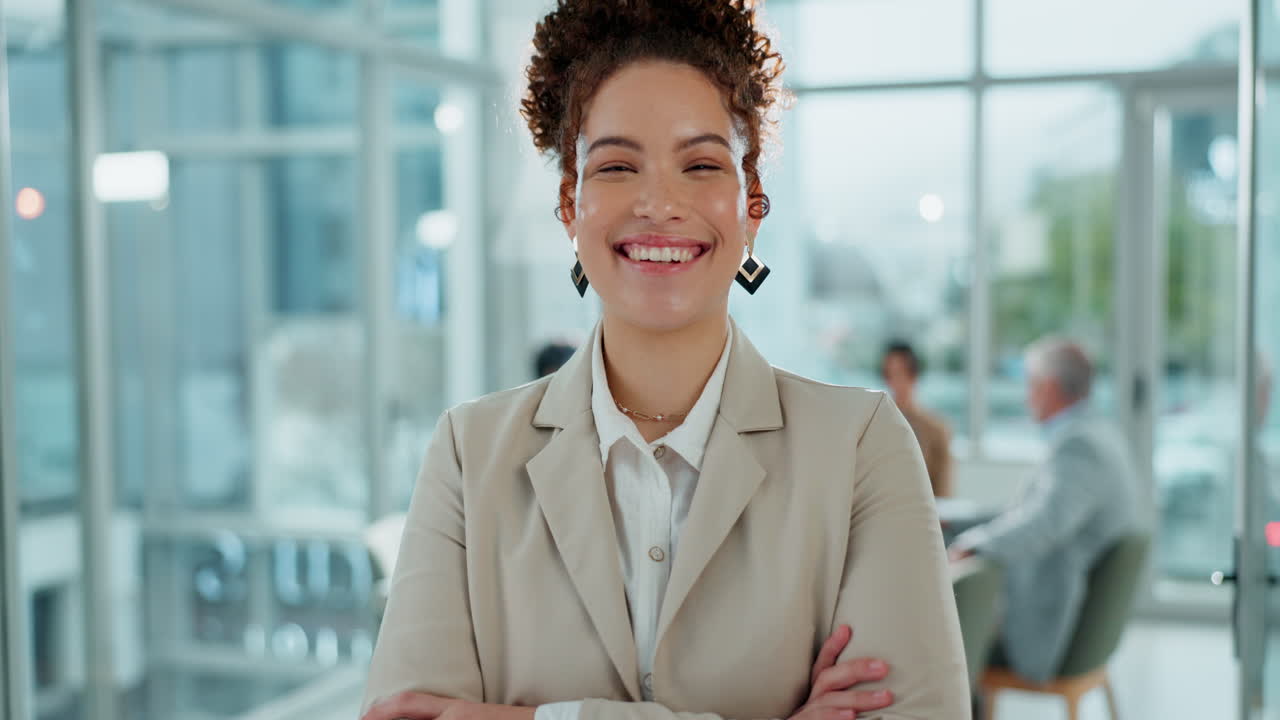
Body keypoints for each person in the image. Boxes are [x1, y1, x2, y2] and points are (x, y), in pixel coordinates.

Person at [360, 2, 969, 719]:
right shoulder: (470, 453)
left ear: (753, 207)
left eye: (701, 164)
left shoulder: (861, 446)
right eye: (616, 165)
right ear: (569, 202)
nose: (658, 202)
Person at [948, 337, 1143, 684]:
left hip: (1048, 633)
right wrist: (959, 520)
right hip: (1072, 620)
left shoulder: (1079, 445)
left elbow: (1044, 523)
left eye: (1030, 384)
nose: (1026, 396)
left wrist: (973, 544)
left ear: (1049, 387)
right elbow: (1029, 511)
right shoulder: (1096, 433)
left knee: (949, 644)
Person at [880, 341, 953, 497]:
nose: (893, 382)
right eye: (888, 374)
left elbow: (944, 490)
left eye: (898, 373)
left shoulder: (936, 429)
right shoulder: (877, 425)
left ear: (913, 375)